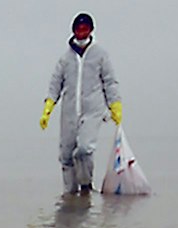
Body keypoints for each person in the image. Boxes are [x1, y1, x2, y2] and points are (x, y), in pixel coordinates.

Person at [40, 12, 121, 194]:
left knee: (84, 149)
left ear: (91, 30)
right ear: (74, 31)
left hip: (92, 110)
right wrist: (48, 107)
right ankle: (70, 196)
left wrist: (114, 105)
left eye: (85, 28)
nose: (81, 32)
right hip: (69, 112)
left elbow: (109, 81)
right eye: (78, 29)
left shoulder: (100, 55)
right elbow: (55, 84)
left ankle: (86, 185)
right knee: (66, 156)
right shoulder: (65, 59)